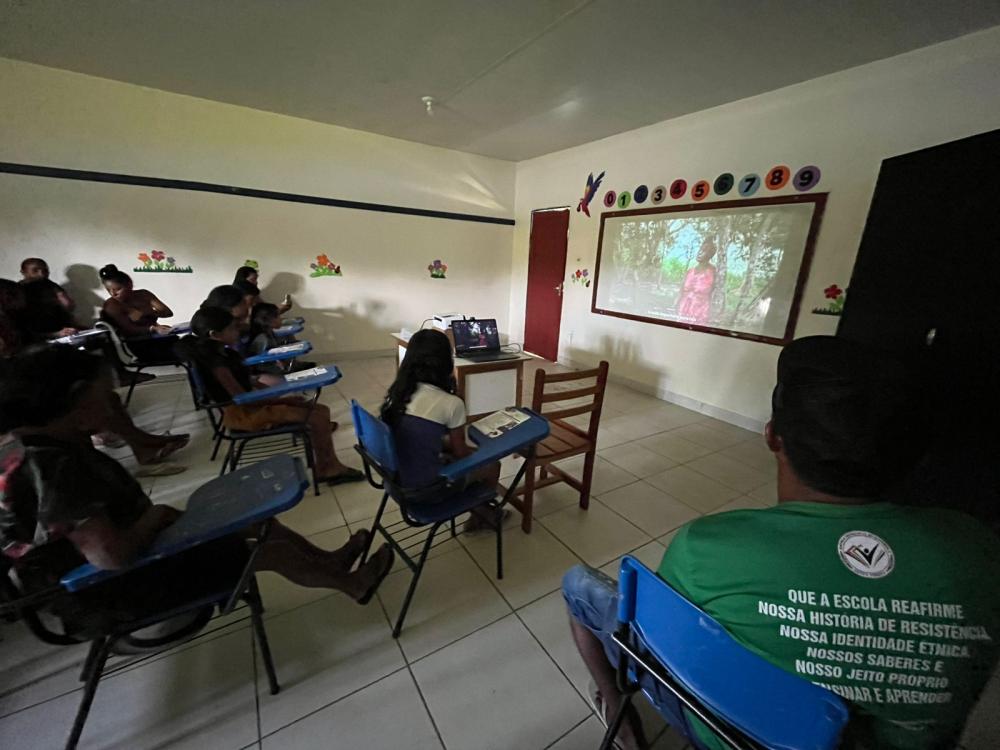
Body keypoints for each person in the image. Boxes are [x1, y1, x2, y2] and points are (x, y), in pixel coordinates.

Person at [562, 335, 1000, 750]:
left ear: (772, 435)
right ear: (915, 455)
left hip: (718, 731)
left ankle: (619, 710)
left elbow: (656, 638)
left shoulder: (708, 546)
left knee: (577, 584)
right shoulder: (979, 554)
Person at [0, 345, 394, 638]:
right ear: (77, 404)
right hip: (106, 593)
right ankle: (352, 583)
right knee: (266, 548)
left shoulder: (36, 451)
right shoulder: (58, 469)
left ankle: (332, 561)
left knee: (258, 520)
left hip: (112, 568)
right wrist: (157, 516)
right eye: (106, 396)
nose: (116, 403)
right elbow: (112, 556)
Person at [178, 306, 360, 485]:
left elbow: (248, 386)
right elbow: (242, 399)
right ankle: (327, 469)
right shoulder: (217, 364)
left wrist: (280, 398)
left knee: (321, 410)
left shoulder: (224, 354)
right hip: (243, 415)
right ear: (214, 334)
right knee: (316, 417)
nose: (239, 330)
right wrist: (283, 399)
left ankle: (327, 465)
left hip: (251, 406)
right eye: (232, 328)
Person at [380, 328, 502, 532]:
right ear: (446, 361)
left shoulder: (398, 393)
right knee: (492, 464)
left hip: (395, 484)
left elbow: (413, 432)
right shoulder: (451, 403)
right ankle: (482, 514)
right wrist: (479, 453)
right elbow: (460, 453)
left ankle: (481, 513)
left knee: (458, 455)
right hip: (426, 491)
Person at [98, 264, 178, 362]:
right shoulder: (111, 305)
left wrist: (145, 313)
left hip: (158, 337)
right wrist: (153, 328)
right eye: (108, 290)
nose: (113, 294)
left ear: (129, 285)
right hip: (140, 344)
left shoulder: (144, 294)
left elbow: (167, 312)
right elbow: (128, 330)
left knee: (187, 344)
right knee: (187, 350)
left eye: (117, 289)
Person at [248, 302, 316, 378]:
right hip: (268, 372)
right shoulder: (262, 339)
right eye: (277, 316)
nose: (280, 319)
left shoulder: (269, 333)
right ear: (267, 321)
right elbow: (263, 360)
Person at [676, 237, 717, 325]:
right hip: (683, 313)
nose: (700, 253)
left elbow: (713, 293)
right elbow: (681, 290)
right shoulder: (690, 271)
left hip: (700, 316)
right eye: (700, 250)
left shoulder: (713, 272)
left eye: (704, 251)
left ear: (710, 255)